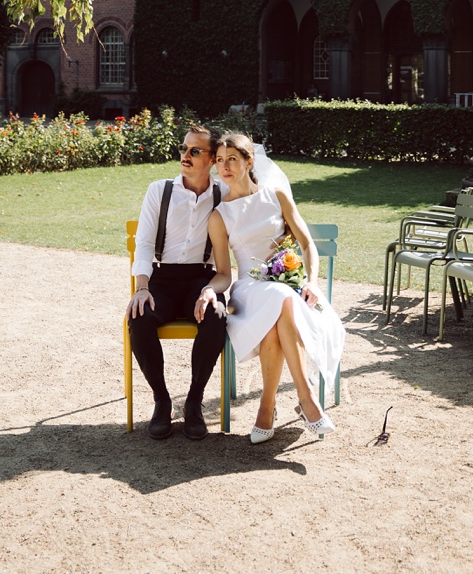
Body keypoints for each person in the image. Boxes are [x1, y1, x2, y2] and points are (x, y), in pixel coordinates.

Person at [208, 132, 345, 444]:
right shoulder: (219, 216)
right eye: (219, 160)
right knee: (280, 298)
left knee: (275, 321)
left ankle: (266, 409)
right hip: (248, 291)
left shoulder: (277, 196)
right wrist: (208, 289)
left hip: (290, 285)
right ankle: (307, 399)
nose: (224, 166)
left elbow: (307, 243)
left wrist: (311, 280)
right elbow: (225, 274)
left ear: (249, 161)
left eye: (232, 159)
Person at [125, 122, 232, 441]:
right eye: (183, 148)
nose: (185, 155)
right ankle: (161, 400)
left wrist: (212, 290)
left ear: (212, 159)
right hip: (161, 278)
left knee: (216, 317)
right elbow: (144, 243)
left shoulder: (224, 194)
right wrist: (142, 287)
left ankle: (195, 401)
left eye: (194, 150)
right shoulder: (160, 190)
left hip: (202, 279)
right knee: (139, 316)